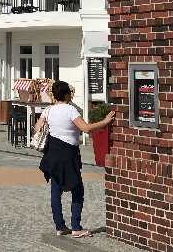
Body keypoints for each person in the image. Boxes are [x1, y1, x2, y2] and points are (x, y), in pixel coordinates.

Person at [36, 80, 115, 238]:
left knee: (56, 190)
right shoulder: (70, 110)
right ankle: (76, 227)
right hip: (67, 154)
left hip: (52, 154)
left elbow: (38, 128)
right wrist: (105, 122)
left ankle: (60, 226)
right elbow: (85, 128)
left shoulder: (48, 110)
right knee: (78, 190)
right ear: (66, 94)